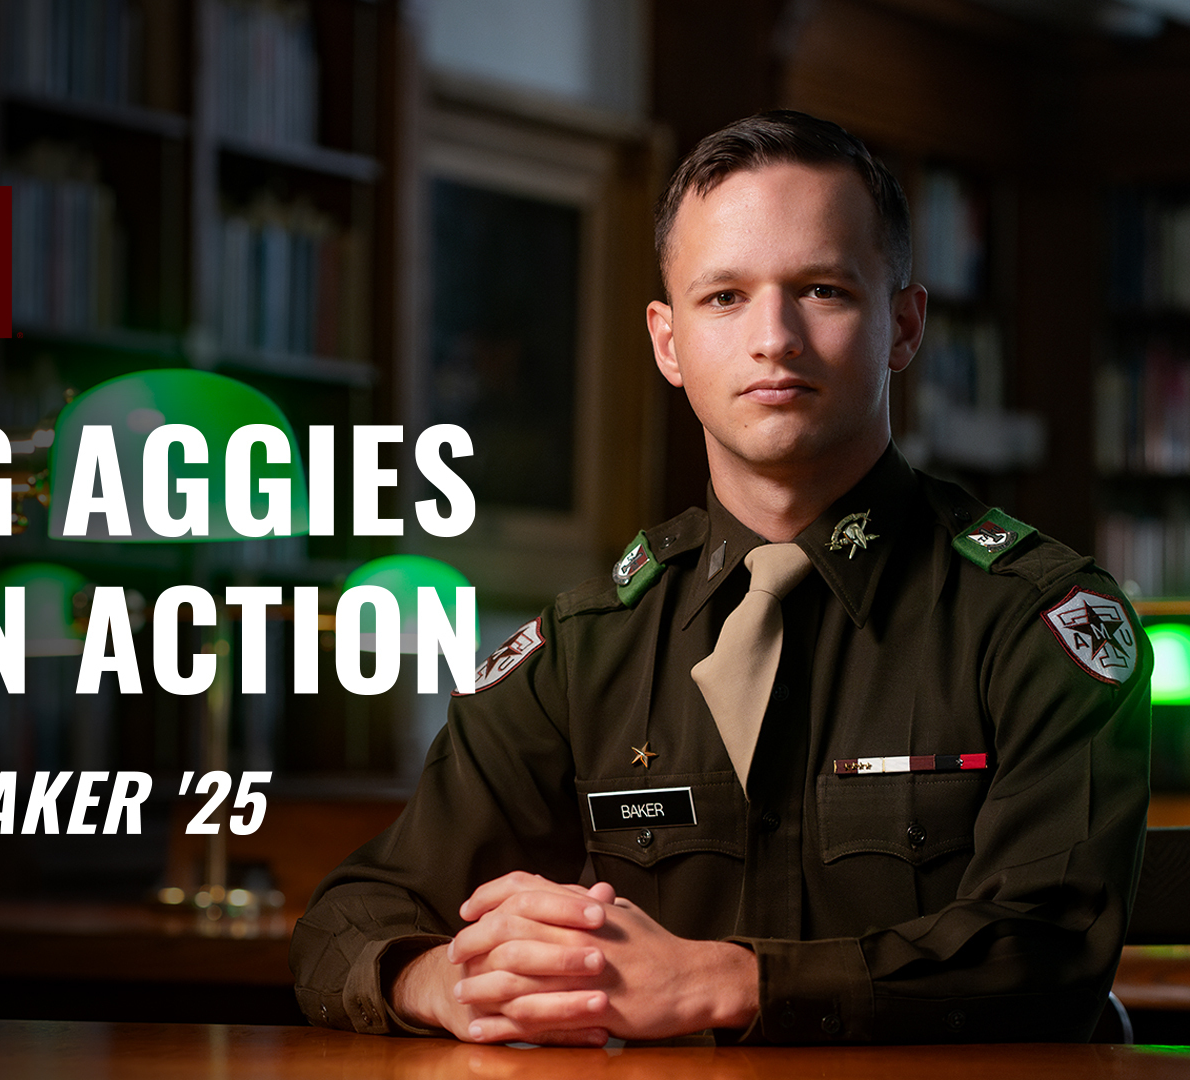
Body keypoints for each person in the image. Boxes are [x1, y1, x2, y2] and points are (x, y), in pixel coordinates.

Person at [290, 111, 1151, 1045]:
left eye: (822, 290)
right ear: (668, 342)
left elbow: (1049, 949)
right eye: (725, 298)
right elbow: (350, 918)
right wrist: (446, 984)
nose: (773, 337)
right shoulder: (588, 647)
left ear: (903, 325)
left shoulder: (1040, 619)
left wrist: (731, 983)